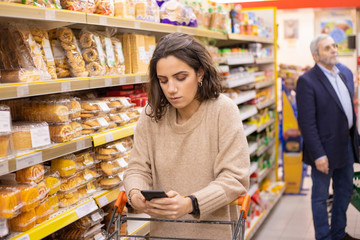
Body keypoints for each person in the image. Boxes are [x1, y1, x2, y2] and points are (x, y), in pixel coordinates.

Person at [123, 32, 250, 239]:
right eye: (163, 80)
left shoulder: (223, 111)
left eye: (181, 78)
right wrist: (136, 194)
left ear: (200, 73)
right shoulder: (152, 115)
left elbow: (235, 178)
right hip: (163, 233)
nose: (171, 89)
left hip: (213, 232)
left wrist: (190, 203)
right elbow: (137, 168)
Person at [296, 34, 359, 240]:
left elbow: (348, 109)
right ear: (316, 56)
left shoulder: (345, 73)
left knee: (344, 192)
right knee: (321, 197)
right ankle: (323, 237)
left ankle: (339, 233)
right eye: (327, 48)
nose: (334, 49)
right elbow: (307, 123)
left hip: (346, 146)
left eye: (334, 45)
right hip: (323, 150)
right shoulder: (307, 81)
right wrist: (319, 155)